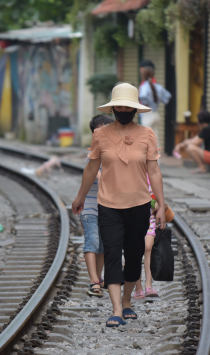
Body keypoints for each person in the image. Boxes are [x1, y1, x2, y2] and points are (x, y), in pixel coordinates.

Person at [71, 83, 167, 328]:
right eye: (119, 106)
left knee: (134, 256)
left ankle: (127, 302)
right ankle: (115, 309)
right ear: (113, 109)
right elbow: (92, 168)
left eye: (128, 106)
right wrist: (81, 196)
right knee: (113, 253)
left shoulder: (147, 135)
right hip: (109, 205)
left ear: (135, 109)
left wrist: (161, 205)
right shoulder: (100, 135)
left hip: (139, 204)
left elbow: (154, 172)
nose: (123, 110)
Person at [82, 114, 115, 298]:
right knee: (92, 242)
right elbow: (99, 177)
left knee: (102, 245)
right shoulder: (93, 155)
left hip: (107, 208)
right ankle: (93, 281)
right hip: (90, 208)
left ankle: (99, 279)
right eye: (99, 132)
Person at [133, 177, 159, 300]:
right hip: (132, 218)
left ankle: (148, 284)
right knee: (135, 252)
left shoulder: (151, 175)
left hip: (149, 218)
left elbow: (157, 197)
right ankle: (138, 287)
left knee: (148, 248)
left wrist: (157, 204)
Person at [173, 109, 210, 174]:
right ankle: (201, 167)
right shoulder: (207, 129)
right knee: (190, 146)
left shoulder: (207, 130)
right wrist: (180, 145)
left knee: (190, 148)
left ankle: (201, 167)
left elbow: (194, 143)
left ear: (200, 121)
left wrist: (180, 145)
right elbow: (193, 140)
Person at [138, 60, 171, 148]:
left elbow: (142, 97)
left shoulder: (144, 86)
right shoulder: (157, 86)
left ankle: (148, 161)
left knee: (146, 141)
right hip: (156, 113)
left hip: (147, 114)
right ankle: (157, 161)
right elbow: (167, 97)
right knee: (155, 140)